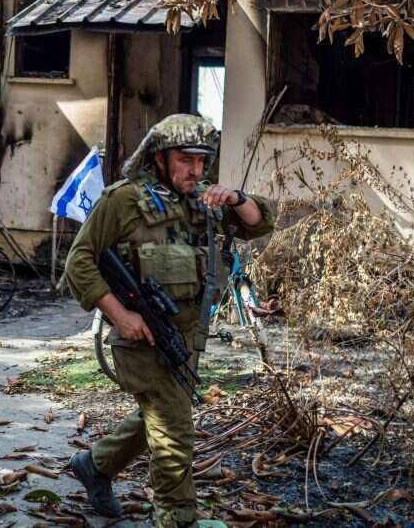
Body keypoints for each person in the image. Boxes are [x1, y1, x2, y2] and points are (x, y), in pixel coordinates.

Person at [65, 114, 276, 528]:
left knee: (159, 416)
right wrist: (120, 315)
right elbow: (79, 260)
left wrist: (235, 197)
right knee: (174, 432)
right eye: (185, 160)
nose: (195, 170)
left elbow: (259, 222)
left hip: (186, 336)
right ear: (159, 159)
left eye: (201, 161)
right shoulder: (124, 200)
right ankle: (177, 517)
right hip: (142, 336)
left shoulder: (203, 201)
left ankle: (95, 465)